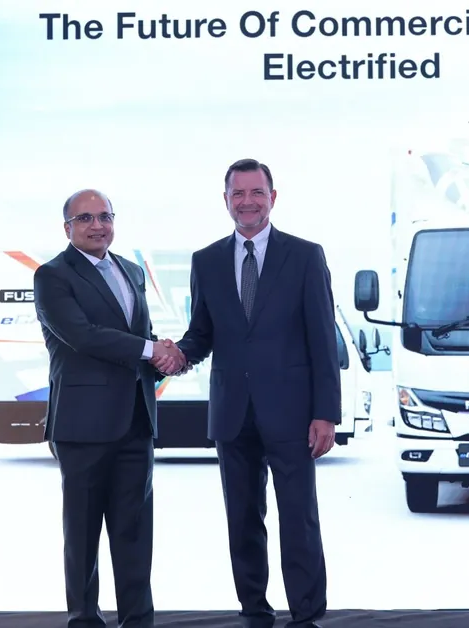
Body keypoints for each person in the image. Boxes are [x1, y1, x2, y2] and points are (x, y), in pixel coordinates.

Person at [161, 159, 340, 628]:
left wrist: (325, 413)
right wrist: (178, 354)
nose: (247, 202)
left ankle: (306, 614)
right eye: (237, 194)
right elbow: (202, 333)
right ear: (225, 201)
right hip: (232, 413)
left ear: (272, 198)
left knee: (298, 518)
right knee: (241, 519)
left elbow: (322, 339)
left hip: (293, 414)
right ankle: (254, 611)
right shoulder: (206, 260)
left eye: (256, 192)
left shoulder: (305, 256)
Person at [33, 189, 187, 628]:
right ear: (67, 228)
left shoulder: (131, 270)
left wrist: (170, 357)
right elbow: (83, 335)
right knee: (82, 536)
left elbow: (141, 336)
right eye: (85, 218)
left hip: (136, 421)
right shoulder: (52, 276)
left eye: (105, 216)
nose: (97, 225)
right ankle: (84, 621)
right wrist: (152, 349)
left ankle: (138, 621)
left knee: (135, 535)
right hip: (82, 426)